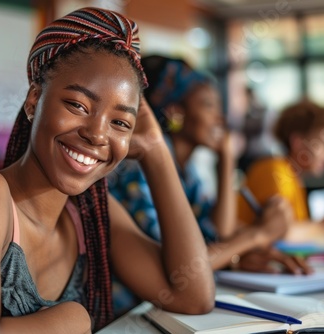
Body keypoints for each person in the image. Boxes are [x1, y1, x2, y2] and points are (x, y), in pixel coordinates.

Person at [0, 8, 215, 333]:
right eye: (78, 105)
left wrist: (156, 153)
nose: (98, 134)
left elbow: (192, 295)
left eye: (120, 122)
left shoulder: (89, 214)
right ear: (34, 100)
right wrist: (71, 320)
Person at [109, 55, 310, 314]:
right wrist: (256, 235)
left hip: (156, 311)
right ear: (176, 113)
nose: (220, 119)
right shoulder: (139, 169)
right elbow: (179, 270)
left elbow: (218, 234)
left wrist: (226, 161)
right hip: (129, 316)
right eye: (208, 105)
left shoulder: (187, 171)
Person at [237, 99, 324, 245]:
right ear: (298, 142)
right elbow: (278, 233)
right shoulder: (275, 170)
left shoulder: (293, 177)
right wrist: (322, 228)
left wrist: (322, 224)